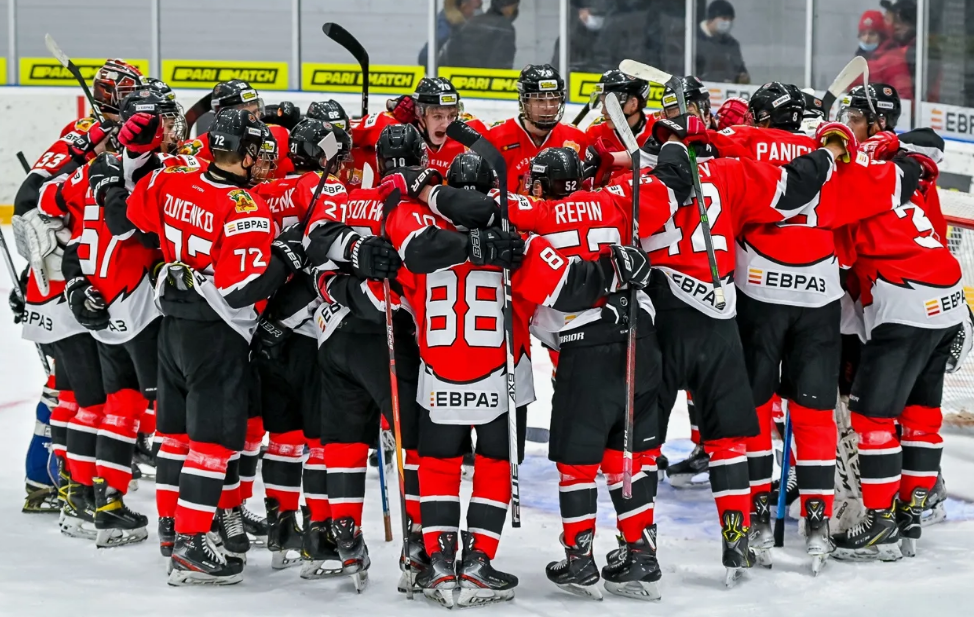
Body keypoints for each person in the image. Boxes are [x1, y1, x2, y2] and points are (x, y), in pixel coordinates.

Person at [124, 108, 302, 585]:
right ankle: (191, 544)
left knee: (176, 437)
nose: (261, 160)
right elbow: (240, 290)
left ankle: (171, 530)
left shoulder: (174, 179)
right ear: (242, 154)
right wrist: (286, 259)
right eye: (257, 152)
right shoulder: (246, 209)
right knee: (212, 444)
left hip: (172, 326)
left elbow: (135, 214)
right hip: (215, 334)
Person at [513, 147, 667, 600]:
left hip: (586, 349)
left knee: (577, 462)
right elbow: (667, 188)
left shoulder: (535, 219)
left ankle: (579, 560)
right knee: (628, 454)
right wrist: (626, 159)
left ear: (540, 184)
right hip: (641, 338)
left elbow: (550, 296)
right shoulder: (614, 199)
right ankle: (641, 553)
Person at [706, 83, 840, 570]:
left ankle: (758, 515)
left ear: (761, 116)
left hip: (760, 292)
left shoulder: (743, 140)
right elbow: (890, 180)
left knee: (756, 409)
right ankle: (818, 523)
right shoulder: (829, 149)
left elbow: (702, 145)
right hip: (821, 296)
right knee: (815, 414)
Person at [250, 117, 351, 571]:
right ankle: (318, 536)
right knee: (320, 441)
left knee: (283, 438)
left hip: (262, 328)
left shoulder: (266, 190)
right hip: (307, 330)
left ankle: (281, 530)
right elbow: (320, 258)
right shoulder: (324, 187)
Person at [344, 77, 486, 187]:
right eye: (437, 116)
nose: (446, 124)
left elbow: (497, 137)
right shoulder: (389, 127)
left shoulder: (469, 130)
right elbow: (339, 131)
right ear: (419, 112)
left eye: (452, 115)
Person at [486, 64, 589, 194]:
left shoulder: (577, 140)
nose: (548, 107)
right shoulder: (495, 138)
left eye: (554, 99)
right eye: (540, 100)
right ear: (524, 102)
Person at [437, 0, 519, 69]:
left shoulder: (470, 25)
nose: (480, 2)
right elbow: (500, 69)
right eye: (478, 7)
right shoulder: (504, 28)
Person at [852, 9, 913, 101]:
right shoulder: (858, 61)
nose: (866, 39)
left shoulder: (893, 59)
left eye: (872, 34)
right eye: (863, 34)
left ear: (881, 36)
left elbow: (902, 96)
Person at [695, 0, 749, 84]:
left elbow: (740, 71)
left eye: (730, 19)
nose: (727, 23)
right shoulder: (693, 40)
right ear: (711, 18)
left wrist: (742, 77)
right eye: (724, 18)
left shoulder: (732, 44)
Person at [418, 0, 483, 67]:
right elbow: (425, 58)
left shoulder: (465, 25)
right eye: (477, 8)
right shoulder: (446, 31)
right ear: (463, 5)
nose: (480, 12)